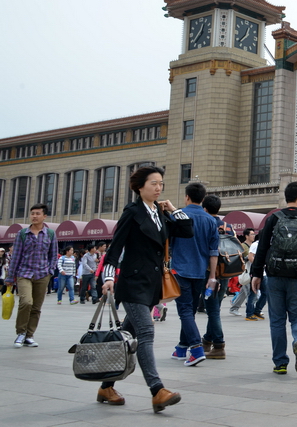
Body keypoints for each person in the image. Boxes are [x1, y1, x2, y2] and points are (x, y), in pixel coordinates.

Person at [97, 165, 193, 413]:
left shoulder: (160, 213)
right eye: (154, 183)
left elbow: (187, 230)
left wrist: (173, 210)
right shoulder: (132, 212)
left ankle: (106, 386)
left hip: (151, 286)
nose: (158, 187)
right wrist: (108, 278)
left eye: (161, 183)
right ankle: (157, 390)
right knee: (146, 333)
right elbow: (114, 249)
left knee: (124, 339)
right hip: (132, 284)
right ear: (140, 187)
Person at [250, 181, 297, 375]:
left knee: (277, 320)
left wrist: (256, 274)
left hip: (274, 276)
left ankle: (280, 363)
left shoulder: (273, 218)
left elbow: (262, 247)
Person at [169, 182, 219, 367]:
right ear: (203, 199)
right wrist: (212, 276)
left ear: (186, 197)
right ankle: (182, 347)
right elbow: (214, 251)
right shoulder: (210, 221)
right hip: (200, 272)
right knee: (189, 311)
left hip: (180, 270)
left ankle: (196, 348)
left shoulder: (177, 217)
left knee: (184, 311)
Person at [6, 204, 58, 348]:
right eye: (32, 213)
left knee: (36, 307)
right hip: (24, 273)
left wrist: (50, 271)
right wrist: (10, 277)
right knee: (26, 302)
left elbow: (53, 255)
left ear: (44, 216)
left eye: (37, 213)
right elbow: (16, 256)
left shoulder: (50, 234)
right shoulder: (22, 233)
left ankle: (29, 335)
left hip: (42, 274)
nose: (34, 216)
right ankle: (20, 333)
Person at [201, 194, 230, 359]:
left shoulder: (207, 224)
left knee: (212, 310)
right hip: (226, 272)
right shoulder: (227, 225)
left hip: (210, 272)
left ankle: (218, 345)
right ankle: (207, 339)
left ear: (205, 208)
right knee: (215, 309)